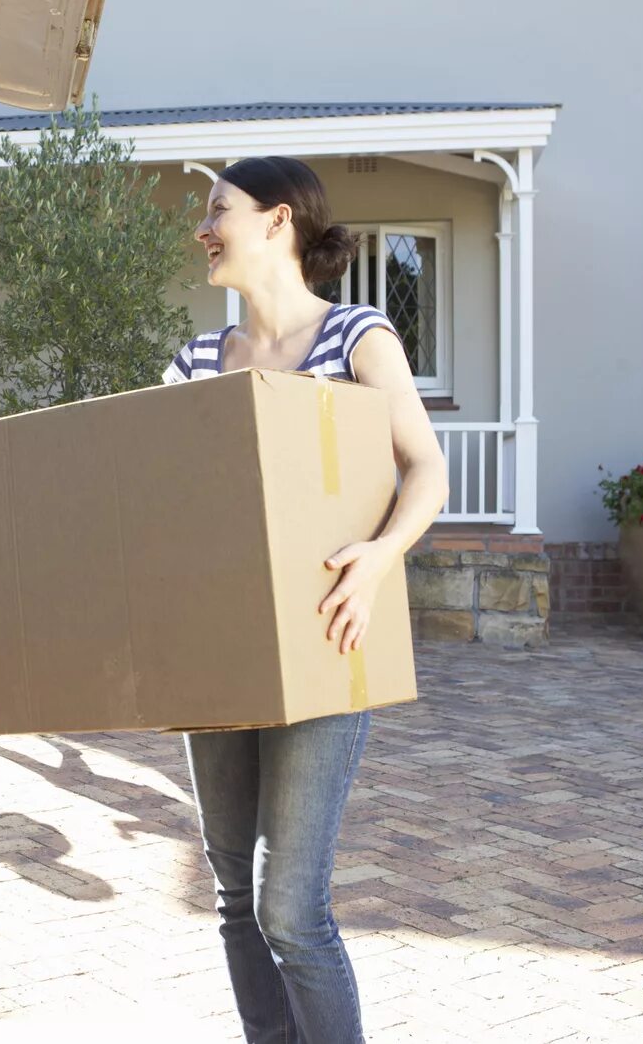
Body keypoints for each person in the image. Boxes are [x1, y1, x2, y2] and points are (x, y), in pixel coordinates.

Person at [164, 155, 449, 1044]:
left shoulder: (358, 337)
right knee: (234, 896)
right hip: (217, 650)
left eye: (219, 210)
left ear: (278, 221)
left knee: (292, 908)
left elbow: (426, 470)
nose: (203, 228)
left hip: (328, 638)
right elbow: (160, 491)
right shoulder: (198, 360)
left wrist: (376, 559)